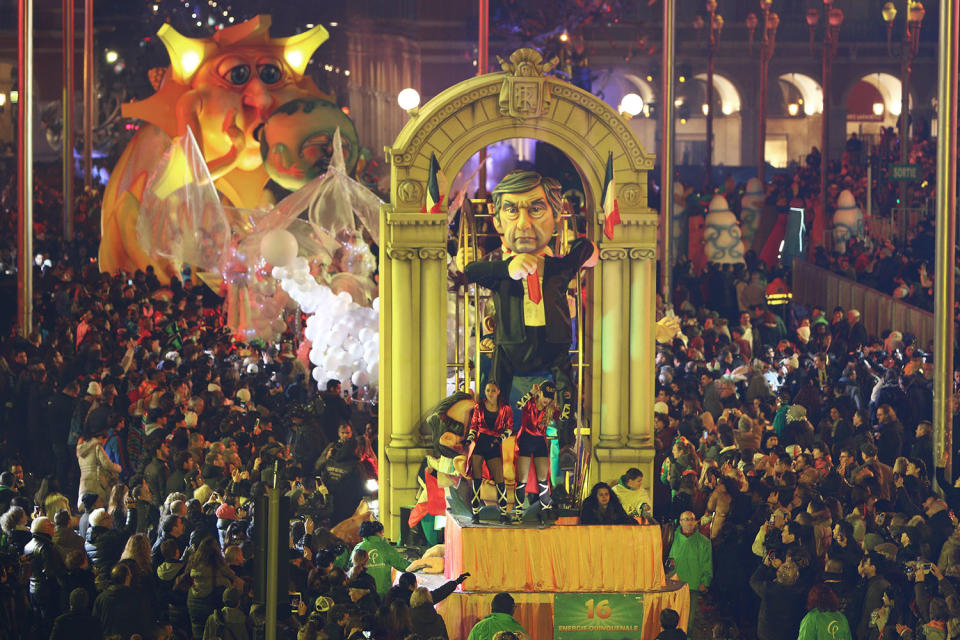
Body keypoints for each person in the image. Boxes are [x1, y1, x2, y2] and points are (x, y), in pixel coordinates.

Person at [464, 170, 599, 446]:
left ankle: (566, 436)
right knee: (496, 385)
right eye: (512, 211)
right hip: (512, 345)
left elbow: (585, 251)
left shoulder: (557, 268)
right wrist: (507, 268)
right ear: (497, 219)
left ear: (557, 214)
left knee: (566, 386)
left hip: (553, 342)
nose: (524, 224)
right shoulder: (499, 271)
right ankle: (490, 434)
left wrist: (591, 249)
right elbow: (471, 270)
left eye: (536, 209)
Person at [465, 381, 513, 524]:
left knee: (499, 479)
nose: (490, 393)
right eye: (487, 390)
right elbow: (474, 426)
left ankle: (504, 514)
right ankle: (475, 513)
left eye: (493, 390)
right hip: (480, 443)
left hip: (494, 444)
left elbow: (509, 428)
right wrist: (469, 440)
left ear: (498, 392)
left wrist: (500, 439)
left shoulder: (506, 409)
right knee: (477, 479)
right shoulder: (478, 407)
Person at [513, 382, 559, 522]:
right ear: (539, 393)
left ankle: (546, 509)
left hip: (539, 442)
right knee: (522, 479)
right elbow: (518, 405)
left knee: (543, 479)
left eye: (550, 397)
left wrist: (567, 401)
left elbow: (564, 416)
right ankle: (518, 511)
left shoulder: (550, 409)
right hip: (526, 440)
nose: (547, 400)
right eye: (545, 395)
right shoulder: (530, 403)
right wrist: (530, 393)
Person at [669, 510, 712, 630]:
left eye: (692, 519)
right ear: (680, 522)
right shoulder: (671, 538)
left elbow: (707, 563)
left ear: (696, 522)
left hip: (693, 584)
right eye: (686, 519)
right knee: (672, 613)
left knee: (689, 615)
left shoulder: (704, 542)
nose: (689, 522)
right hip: (674, 583)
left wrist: (705, 581)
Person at [353, 521, 411, 597]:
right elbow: (402, 565)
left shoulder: (357, 548)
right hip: (382, 595)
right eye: (382, 533)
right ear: (378, 533)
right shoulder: (385, 548)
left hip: (362, 595)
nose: (383, 536)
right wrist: (420, 565)